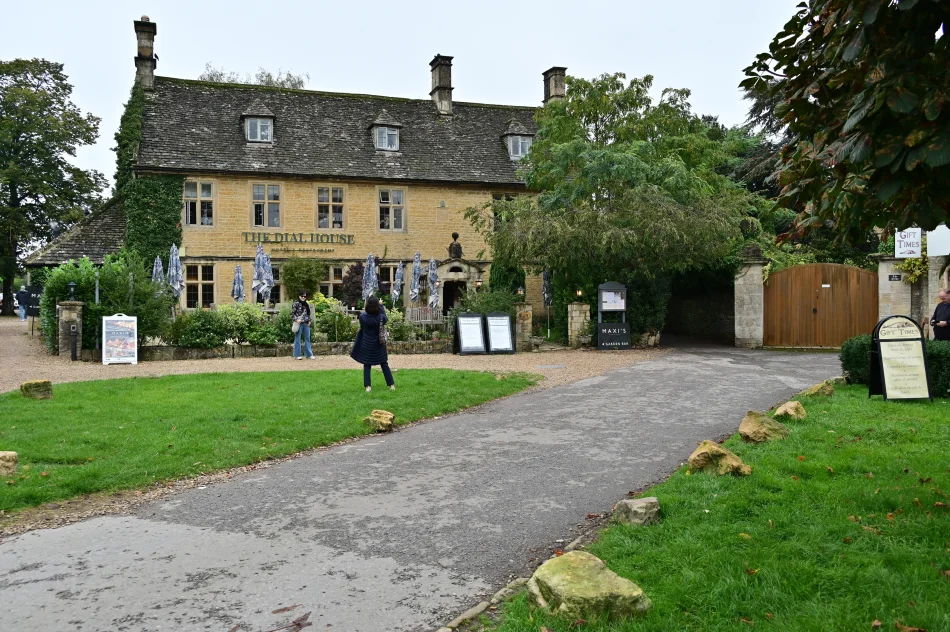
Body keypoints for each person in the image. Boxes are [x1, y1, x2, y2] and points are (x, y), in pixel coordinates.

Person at [350, 296, 395, 392]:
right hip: (379, 343)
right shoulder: (381, 318)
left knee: (367, 364)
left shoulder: (362, 317)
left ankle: (368, 387)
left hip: (366, 343)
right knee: (384, 364)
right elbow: (385, 318)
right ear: (377, 305)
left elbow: (363, 326)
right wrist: (381, 305)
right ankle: (391, 385)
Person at [291, 291, 315, 360]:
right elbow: (292, 314)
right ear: (299, 296)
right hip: (299, 323)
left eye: (305, 296)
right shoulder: (296, 303)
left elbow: (308, 313)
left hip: (306, 322)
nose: (303, 298)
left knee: (307, 338)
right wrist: (296, 319)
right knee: (297, 339)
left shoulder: (307, 303)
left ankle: (309, 354)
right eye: (302, 296)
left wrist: (309, 321)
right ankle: (297, 355)